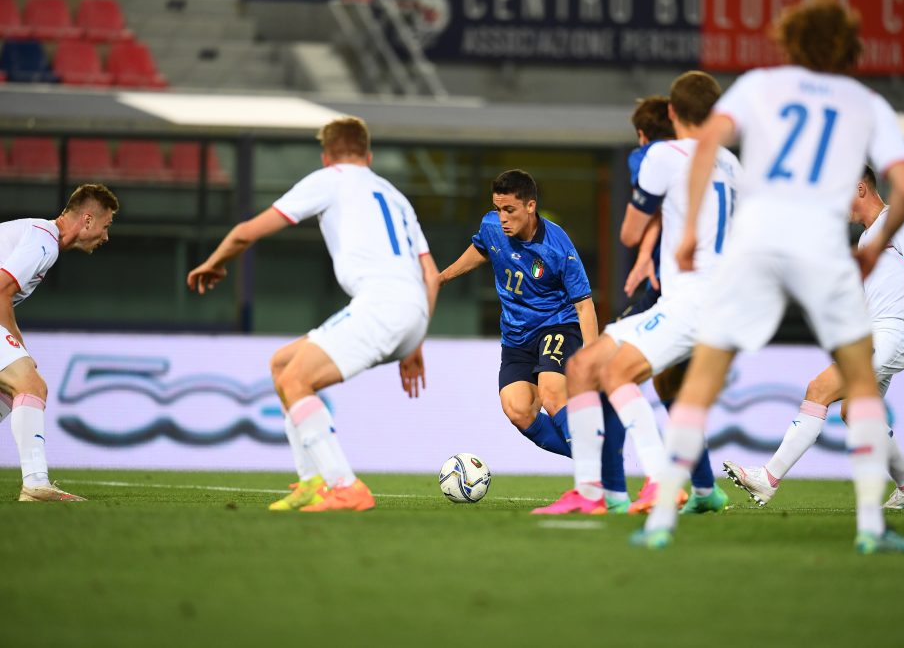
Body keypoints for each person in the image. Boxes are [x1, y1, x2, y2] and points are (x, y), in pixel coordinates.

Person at [635, 0, 904, 554]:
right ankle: (872, 527)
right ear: (847, 46)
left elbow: (707, 144)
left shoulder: (760, 85)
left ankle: (661, 521)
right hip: (820, 248)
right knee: (860, 388)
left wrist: (688, 231)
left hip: (759, 241)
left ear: (789, 40)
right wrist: (873, 249)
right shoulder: (865, 102)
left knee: (703, 374)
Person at [187, 117, 439, 512]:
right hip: (412, 311)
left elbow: (246, 232)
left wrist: (214, 261)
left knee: (295, 379)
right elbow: (431, 274)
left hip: (381, 305)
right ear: (369, 156)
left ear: (326, 158)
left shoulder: (330, 179)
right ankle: (311, 481)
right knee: (282, 364)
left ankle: (345, 486)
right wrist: (416, 340)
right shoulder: (395, 196)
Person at [534, 72, 740, 515]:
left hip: (690, 301)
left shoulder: (663, 154)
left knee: (612, 372)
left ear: (672, 112)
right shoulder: (730, 163)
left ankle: (655, 483)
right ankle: (596, 491)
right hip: (722, 302)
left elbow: (629, 231)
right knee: (585, 366)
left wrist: (645, 241)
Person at [723, 165, 904, 509]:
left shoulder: (895, 222)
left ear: (860, 189)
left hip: (894, 333)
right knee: (855, 413)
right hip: (878, 333)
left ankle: (768, 478)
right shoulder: (868, 237)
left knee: (819, 389)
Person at [438, 170, 632, 508]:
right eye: (498, 209)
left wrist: (591, 359)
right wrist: (442, 277)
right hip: (516, 335)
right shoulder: (491, 226)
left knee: (553, 393)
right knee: (518, 410)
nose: (502, 218)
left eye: (509, 210)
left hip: (557, 326)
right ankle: (599, 461)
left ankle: (591, 485)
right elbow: (482, 249)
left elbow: (584, 306)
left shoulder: (557, 246)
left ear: (530, 206)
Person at [0, 184, 118, 501]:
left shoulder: (39, 237)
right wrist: (20, 347)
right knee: (30, 385)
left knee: (8, 393)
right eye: (106, 225)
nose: (106, 236)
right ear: (88, 220)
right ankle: (36, 484)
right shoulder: (44, 241)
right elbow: (1, 291)